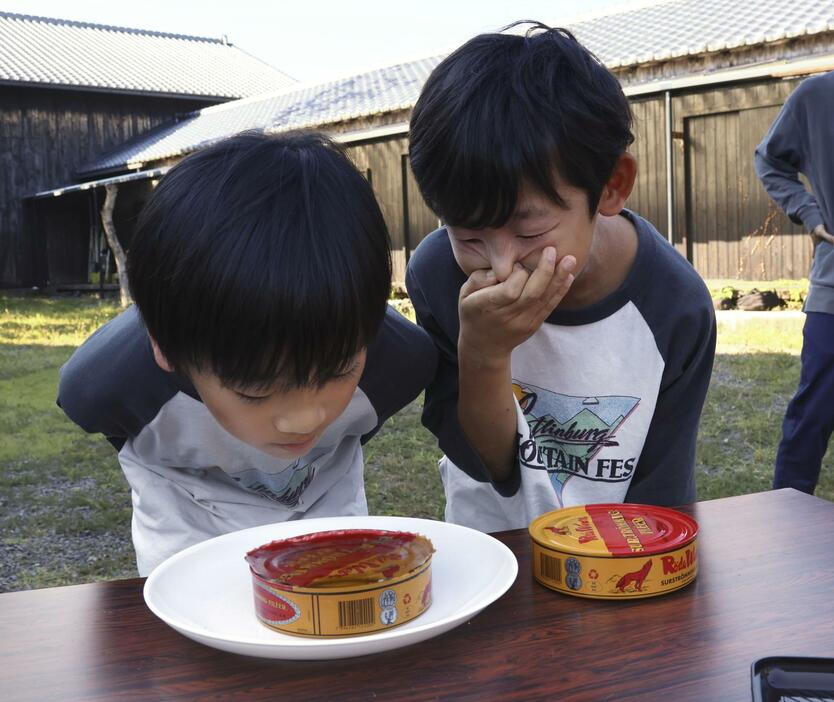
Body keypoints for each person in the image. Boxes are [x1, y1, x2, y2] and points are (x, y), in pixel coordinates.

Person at [58, 131, 437, 574]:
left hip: (326, 518)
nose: (306, 420)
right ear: (166, 351)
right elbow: (109, 423)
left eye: (337, 371)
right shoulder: (108, 383)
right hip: (187, 527)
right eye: (256, 391)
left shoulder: (400, 361)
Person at [405, 23, 716, 532]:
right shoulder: (438, 274)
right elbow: (485, 465)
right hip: (493, 552)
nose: (500, 265)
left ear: (611, 187)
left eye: (529, 227)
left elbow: (662, 504)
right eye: (469, 235)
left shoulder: (675, 306)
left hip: (616, 562)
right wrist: (482, 354)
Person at [755, 71, 834, 495]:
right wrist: (809, 210)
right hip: (833, 292)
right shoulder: (817, 96)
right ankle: (787, 517)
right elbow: (769, 159)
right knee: (812, 416)